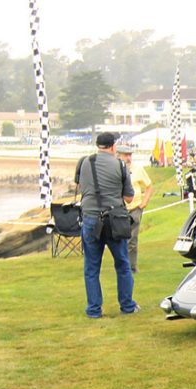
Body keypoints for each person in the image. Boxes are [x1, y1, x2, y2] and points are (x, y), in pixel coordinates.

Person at [77, 132, 136, 318]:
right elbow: (129, 197)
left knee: (91, 267)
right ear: (113, 146)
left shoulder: (84, 162)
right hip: (114, 219)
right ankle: (127, 305)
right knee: (122, 263)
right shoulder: (120, 164)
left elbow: (81, 187)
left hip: (91, 218)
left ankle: (94, 309)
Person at [119, 140, 152, 274]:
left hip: (135, 207)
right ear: (118, 155)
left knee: (133, 238)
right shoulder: (116, 169)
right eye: (125, 155)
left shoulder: (137, 168)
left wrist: (144, 202)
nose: (128, 158)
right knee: (121, 238)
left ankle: (132, 266)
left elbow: (149, 186)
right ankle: (122, 265)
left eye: (130, 155)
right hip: (120, 208)